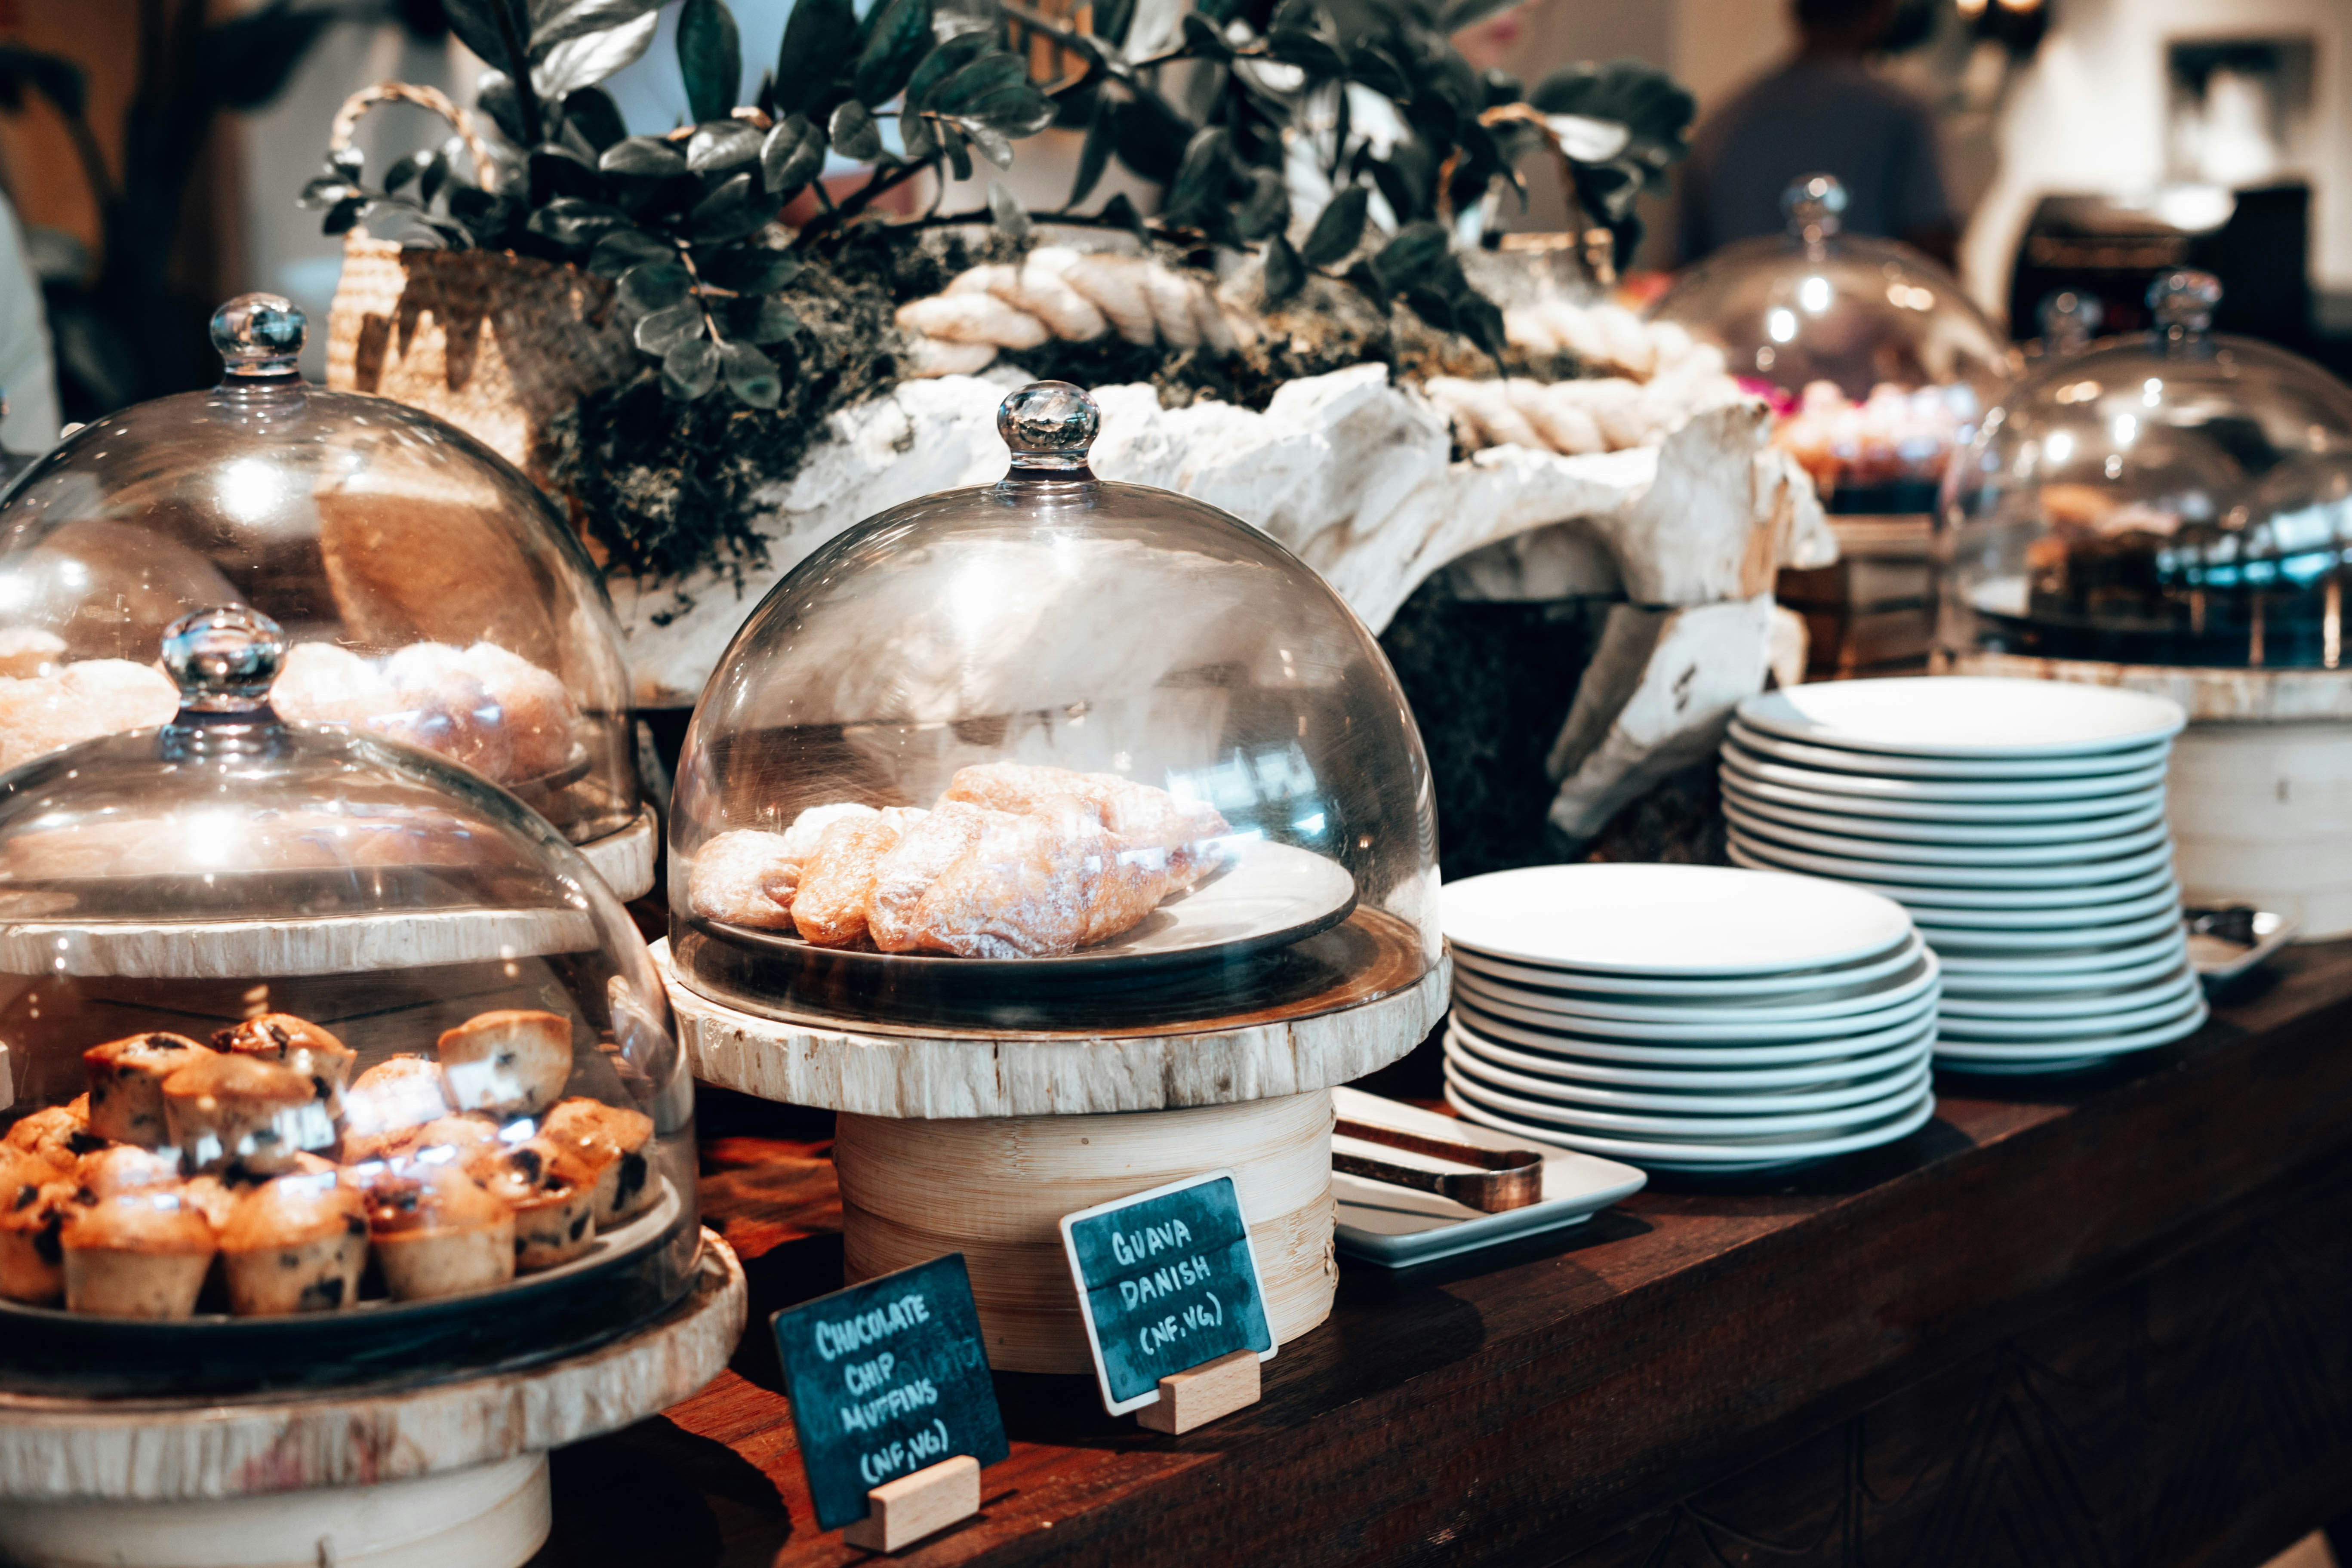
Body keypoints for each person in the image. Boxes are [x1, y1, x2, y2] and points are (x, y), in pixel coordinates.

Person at [1675, 0, 1955, 266]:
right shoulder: (1899, 114)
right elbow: (1931, 246)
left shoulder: (1725, 120)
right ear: (1878, 14)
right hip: (1866, 312)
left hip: (1740, 313)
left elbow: (1684, 265)